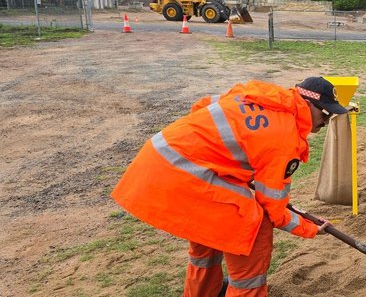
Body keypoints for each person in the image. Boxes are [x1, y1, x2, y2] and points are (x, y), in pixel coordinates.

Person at [111, 77, 347, 297]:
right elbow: (273, 208)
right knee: (254, 226)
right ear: (308, 103)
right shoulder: (284, 135)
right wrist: (310, 228)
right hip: (183, 175)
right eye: (325, 114)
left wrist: (225, 163)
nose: (326, 122)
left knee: (210, 236)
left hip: (158, 162)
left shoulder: (259, 96)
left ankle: (205, 292)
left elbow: (201, 106)